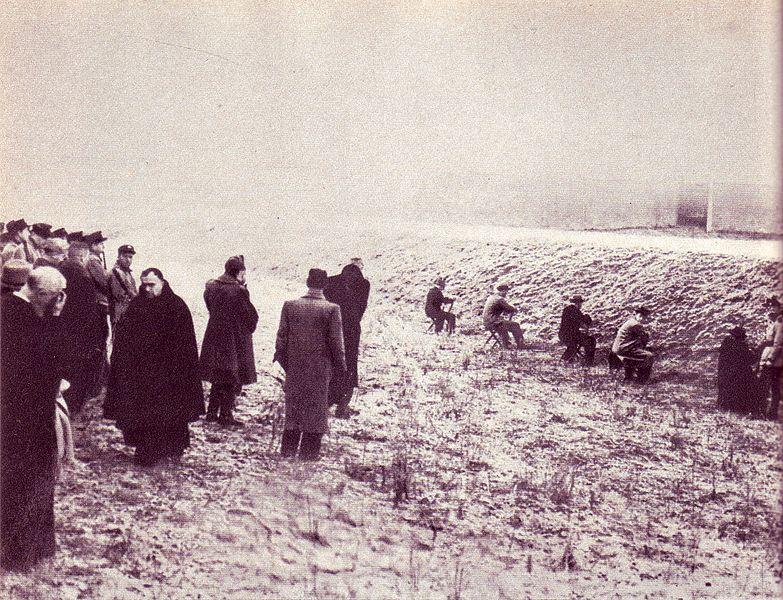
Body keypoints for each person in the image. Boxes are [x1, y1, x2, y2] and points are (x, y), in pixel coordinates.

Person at [1, 267, 67, 571]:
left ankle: (35, 548)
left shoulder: (7, 309)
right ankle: (20, 556)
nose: (60, 301)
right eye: (56, 296)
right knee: (29, 485)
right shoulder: (31, 322)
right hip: (27, 420)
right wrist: (56, 319)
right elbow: (49, 368)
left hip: (10, 417)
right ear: (41, 294)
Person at [104, 268, 204, 466]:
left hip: (169, 374)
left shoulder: (176, 306)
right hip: (142, 374)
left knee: (169, 412)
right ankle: (148, 451)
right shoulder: (137, 306)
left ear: (162, 283)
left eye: (152, 285)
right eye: (145, 285)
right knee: (146, 415)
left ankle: (172, 446)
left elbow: (185, 344)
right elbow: (124, 338)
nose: (148, 289)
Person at [274, 268, 346, 460]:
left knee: (294, 408)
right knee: (316, 411)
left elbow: (281, 339)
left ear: (307, 282)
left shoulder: (290, 306)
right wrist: (340, 368)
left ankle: (287, 451)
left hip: (295, 367)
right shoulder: (332, 309)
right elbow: (336, 344)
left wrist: (287, 363)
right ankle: (309, 454)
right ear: (325, 285)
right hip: (320, 369)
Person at [199, 256, 258, 427]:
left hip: (214, 334)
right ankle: (225, 414)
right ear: (239, 273)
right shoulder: (238, 291)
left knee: (219, 374)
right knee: (232, 375)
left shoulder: (211, 286)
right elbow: (249, 317)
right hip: (234, 338)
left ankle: (211, 412)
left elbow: (210, 306)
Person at [57, 242, 104, 414]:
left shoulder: (60, 269)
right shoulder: (84, 276)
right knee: (78, 371)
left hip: (61, 328)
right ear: (83, 256)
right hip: (79, 333)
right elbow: (89, 310)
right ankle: (73, 409)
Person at [324, 262, 370, 418]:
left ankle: (327, 400)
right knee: (349, 366)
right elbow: (361, 309)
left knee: (331, 363)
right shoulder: (363, 285)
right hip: (351, 331)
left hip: (331, 329)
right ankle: (342, 406)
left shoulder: (330, 281)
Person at [717, 326, 763, 415]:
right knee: (750, 385)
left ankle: (725, 408)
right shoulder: (741, 347)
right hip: (737, 376)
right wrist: (757, 352)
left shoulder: (726, 344)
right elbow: (751, 360)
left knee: (726, 393)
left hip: (724, 374)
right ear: (740, 337)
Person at [611, 306, 655, 382]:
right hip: (623, 349)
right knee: (649, 356)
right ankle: (642, 379)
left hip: (618, 348)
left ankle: (631, 376)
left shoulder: (630, 321)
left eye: (644, 317)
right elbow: (644, 338)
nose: (642, 319)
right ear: (635, 314)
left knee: (640, 353)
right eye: (640, 316)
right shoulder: (635, 324)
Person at [482, 283, 524, 349]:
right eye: (506, 292)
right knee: (515, 325)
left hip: (487, 322)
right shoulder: (499, 299)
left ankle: (506, 344)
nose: (506, 293)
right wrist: (515, 309)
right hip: (494, 322)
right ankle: (520, 345)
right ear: (503, 291)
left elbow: (503, 309)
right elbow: (509, 309)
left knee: (504, 325)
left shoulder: (492, 297)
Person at [759, 307, 783, 420]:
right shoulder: (778, 321)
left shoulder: (780, 322)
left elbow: (777, 343)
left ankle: (767, 413)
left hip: (775, 361)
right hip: (776, 360)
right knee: (774, 387)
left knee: (768, 386)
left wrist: (770, 359)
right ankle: (771, 413)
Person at [558, 295, 596, 364]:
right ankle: (588, 362)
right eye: (581, 303)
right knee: (590, 341)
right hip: (571, 335)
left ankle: (565, 361)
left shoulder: (567, 310)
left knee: (572, 347)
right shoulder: (575, 311)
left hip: (564, 334)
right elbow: (584, 322)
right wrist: (587, 317)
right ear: (578, 303)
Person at [108, 244, 138, 328]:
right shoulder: (115, 273)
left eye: (130, 257)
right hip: (120, 315)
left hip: (129, 313)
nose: (128, 260)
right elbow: (119, 295)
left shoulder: (128, 273)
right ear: (118, 256)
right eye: (125, 256)